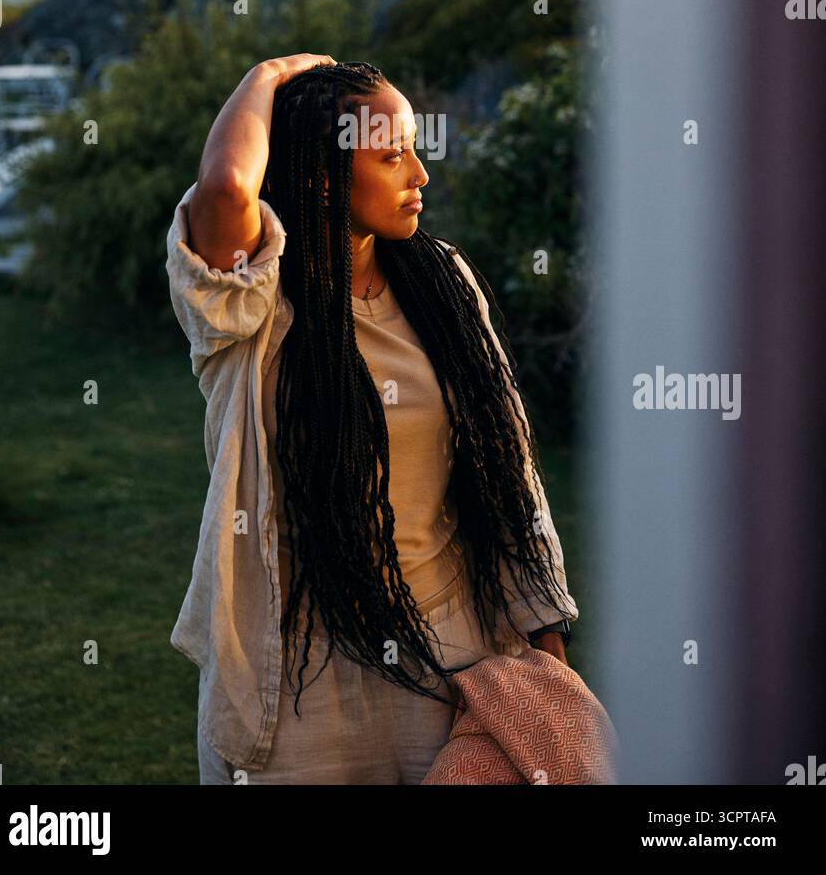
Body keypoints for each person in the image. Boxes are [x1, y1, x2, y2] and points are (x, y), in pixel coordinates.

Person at [165, 54, 579, 785]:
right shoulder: (250, 311)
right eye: (391, 156)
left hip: (449, 660)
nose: (419, 173)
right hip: (294, 690)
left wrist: (547, 659)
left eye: (414, 148)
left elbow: (509, 471)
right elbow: (228, 187)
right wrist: (267, 76)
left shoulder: (441, 283)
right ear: (324, 175)